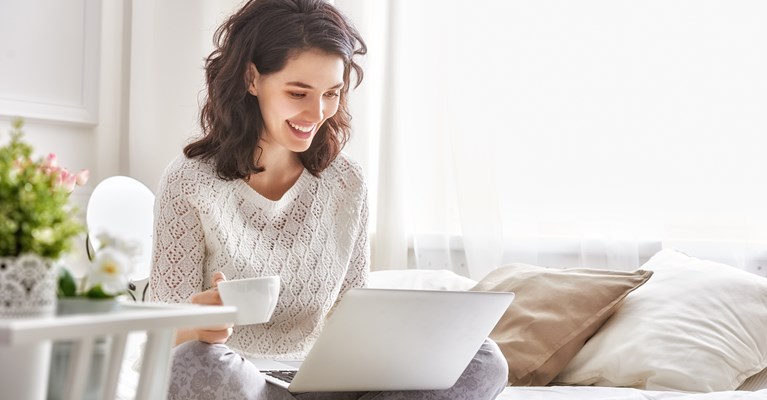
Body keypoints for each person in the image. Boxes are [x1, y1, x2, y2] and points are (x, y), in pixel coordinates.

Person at [150, 0, 509, 399]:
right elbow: (165, 340)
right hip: (242, 382)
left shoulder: (346, 182)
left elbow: (350, 315)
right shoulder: (189, 181)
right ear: (252, 78)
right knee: (194, 365)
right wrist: (200, 324)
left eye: (332, 93)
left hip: (325, 383)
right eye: (298, 92)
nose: (316, 112)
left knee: (482, 357)